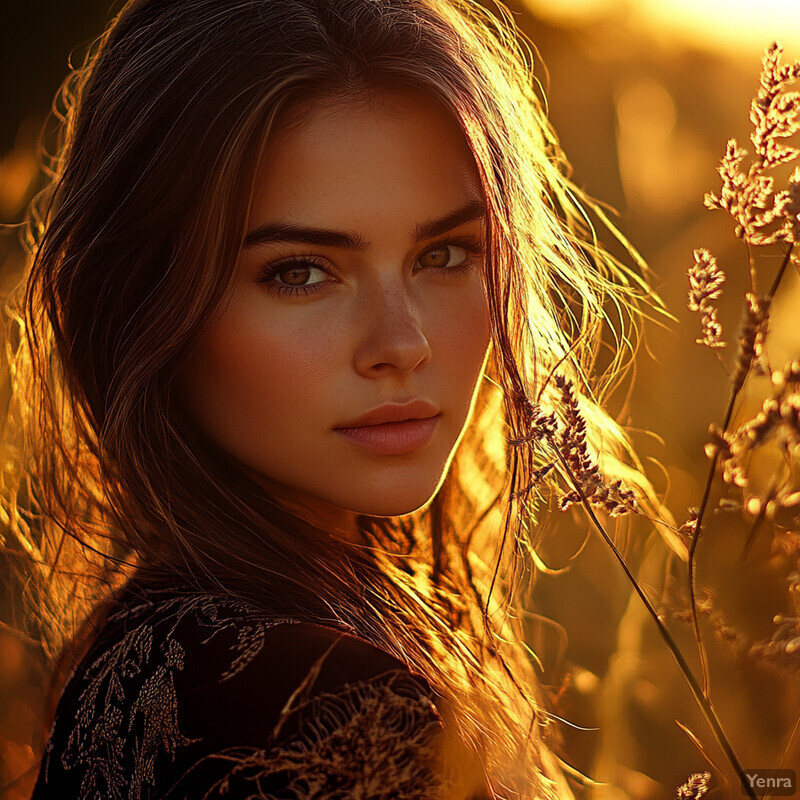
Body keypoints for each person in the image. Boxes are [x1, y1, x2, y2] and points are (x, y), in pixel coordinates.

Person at [1, 0, 656, 797]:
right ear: (141, 304)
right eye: (300, 272)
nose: (402, 343)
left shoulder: (150, 654)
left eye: (444, 253)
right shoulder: (322, 701)